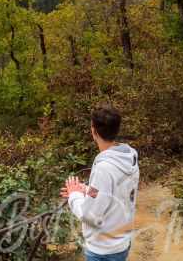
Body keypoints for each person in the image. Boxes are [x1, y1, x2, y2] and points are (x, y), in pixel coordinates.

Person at [60, 106, 139, 261]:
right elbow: (114, 194)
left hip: (103, 249)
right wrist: (86, 190)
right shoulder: (129, 159)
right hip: (122, 243)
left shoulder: (104, 167)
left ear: (93, 131)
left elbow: (90, 215)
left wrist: (74, 195)